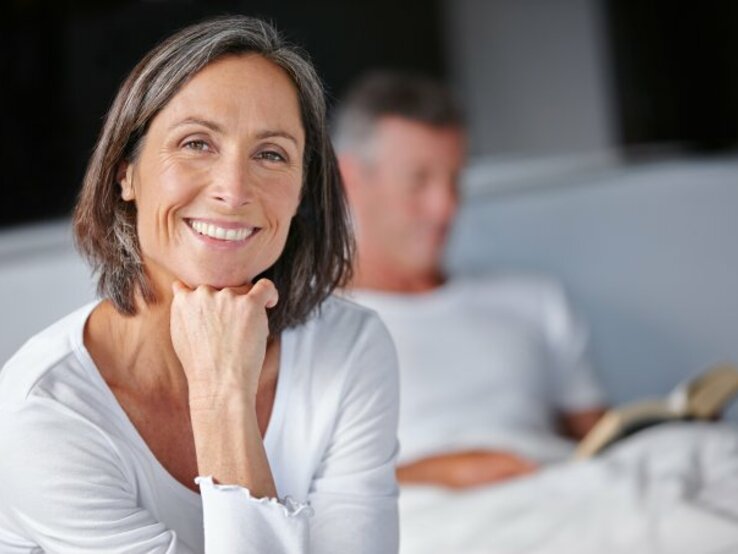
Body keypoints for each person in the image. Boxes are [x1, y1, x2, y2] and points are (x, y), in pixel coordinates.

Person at [0, 17, 399, 553]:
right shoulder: (40, 414)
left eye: (271, 154)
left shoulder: (349, 347)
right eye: (196, 144)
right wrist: (221, 395)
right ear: (126, 174)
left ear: (303, 190)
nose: (233, 191)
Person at [332, 71, 606, 489]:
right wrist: (433, 473)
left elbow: (603, 442)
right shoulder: (311, 324)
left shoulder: (535, 300)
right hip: (432, 516)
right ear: (350, 177)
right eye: (418, 180)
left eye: (455, 179)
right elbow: (290, 490)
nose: (446, 208)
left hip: (565, 490)